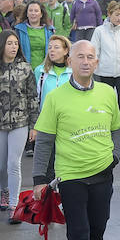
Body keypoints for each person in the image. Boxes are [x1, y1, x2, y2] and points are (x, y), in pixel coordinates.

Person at [32, 40, 120, 240]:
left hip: (102, 174)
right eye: (80, 57)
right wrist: (39, 179)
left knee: (98, 230)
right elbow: (44, 141)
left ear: (97, 63)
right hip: (70, 177)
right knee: (79, 234)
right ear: (70, 61)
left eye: (90, 57)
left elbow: (117, 128)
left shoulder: (108, 92)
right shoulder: (56, 97)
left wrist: (115, 157)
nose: (85, 61)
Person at [0, 30, 40, 222]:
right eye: (9, 43)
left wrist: (34, 125)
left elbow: (32, 98)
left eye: (16, 43)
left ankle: (15, 205)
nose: (13, 47)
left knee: (14, 164)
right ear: (1, 46)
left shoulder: (25, 68)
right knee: (0, 169)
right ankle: (4, 191)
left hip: (20, 122)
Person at [91, 1, 120, 150]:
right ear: (109, 14)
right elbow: (95, 49)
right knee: (105, 103)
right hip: (104, 71)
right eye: (117, 15)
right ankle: (105, 132)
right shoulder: (99, 31)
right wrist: (92, 65)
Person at [34, 35, 72, 184]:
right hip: (47, 124)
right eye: (50, 47)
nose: (52, 50)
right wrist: (35, 126)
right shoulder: (40, 71)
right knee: (48, 163)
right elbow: (35, 98)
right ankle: (51, 198)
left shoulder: (73, 71)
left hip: (68, 123)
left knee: (65, 160)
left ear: (66, 50)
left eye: (56, 47)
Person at [14, 1, 54, 70]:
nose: (33, 13)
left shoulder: (49, 31)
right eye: (30, 11)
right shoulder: (19, 30)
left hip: (45, 69)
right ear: (27, 14)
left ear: (41, 14)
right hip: (24, 69)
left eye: (36, 11)